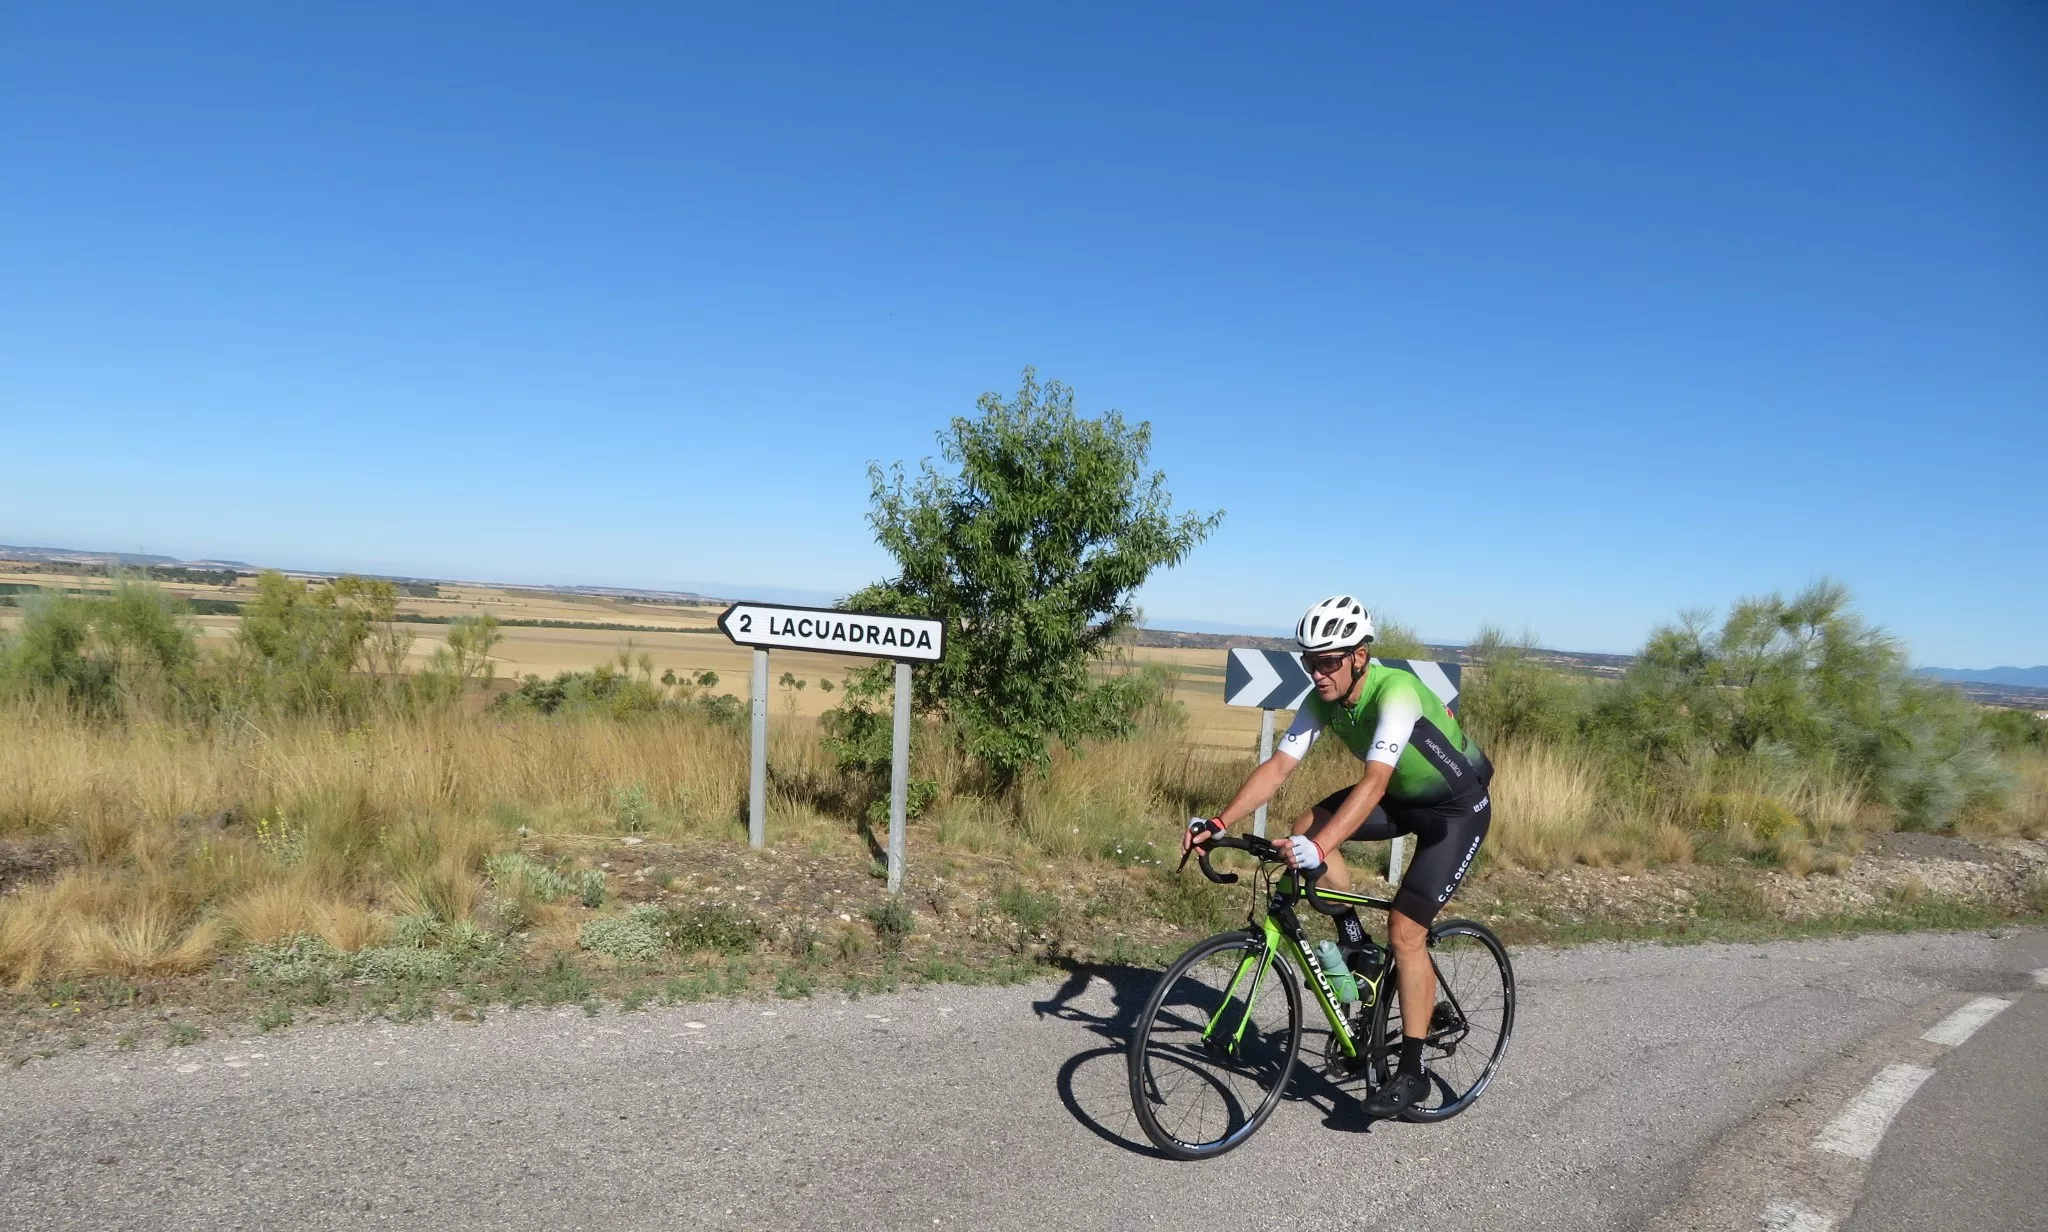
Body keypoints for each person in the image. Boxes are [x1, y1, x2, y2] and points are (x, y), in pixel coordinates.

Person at [1182, 594, 1492, 1118]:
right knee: (1306, 823)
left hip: (1455, 813)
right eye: (1310, 660)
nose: (1318, 672)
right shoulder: (1322, 699)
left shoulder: (1395, 693)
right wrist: (1218, 822)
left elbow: (1373, 783)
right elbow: (1279, 767)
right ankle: (1354, 942)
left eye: (1328, 661)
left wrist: (1321, 847)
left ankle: (1412, 1072)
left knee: (1406, 929)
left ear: (1359, 657)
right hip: (1401, 801)